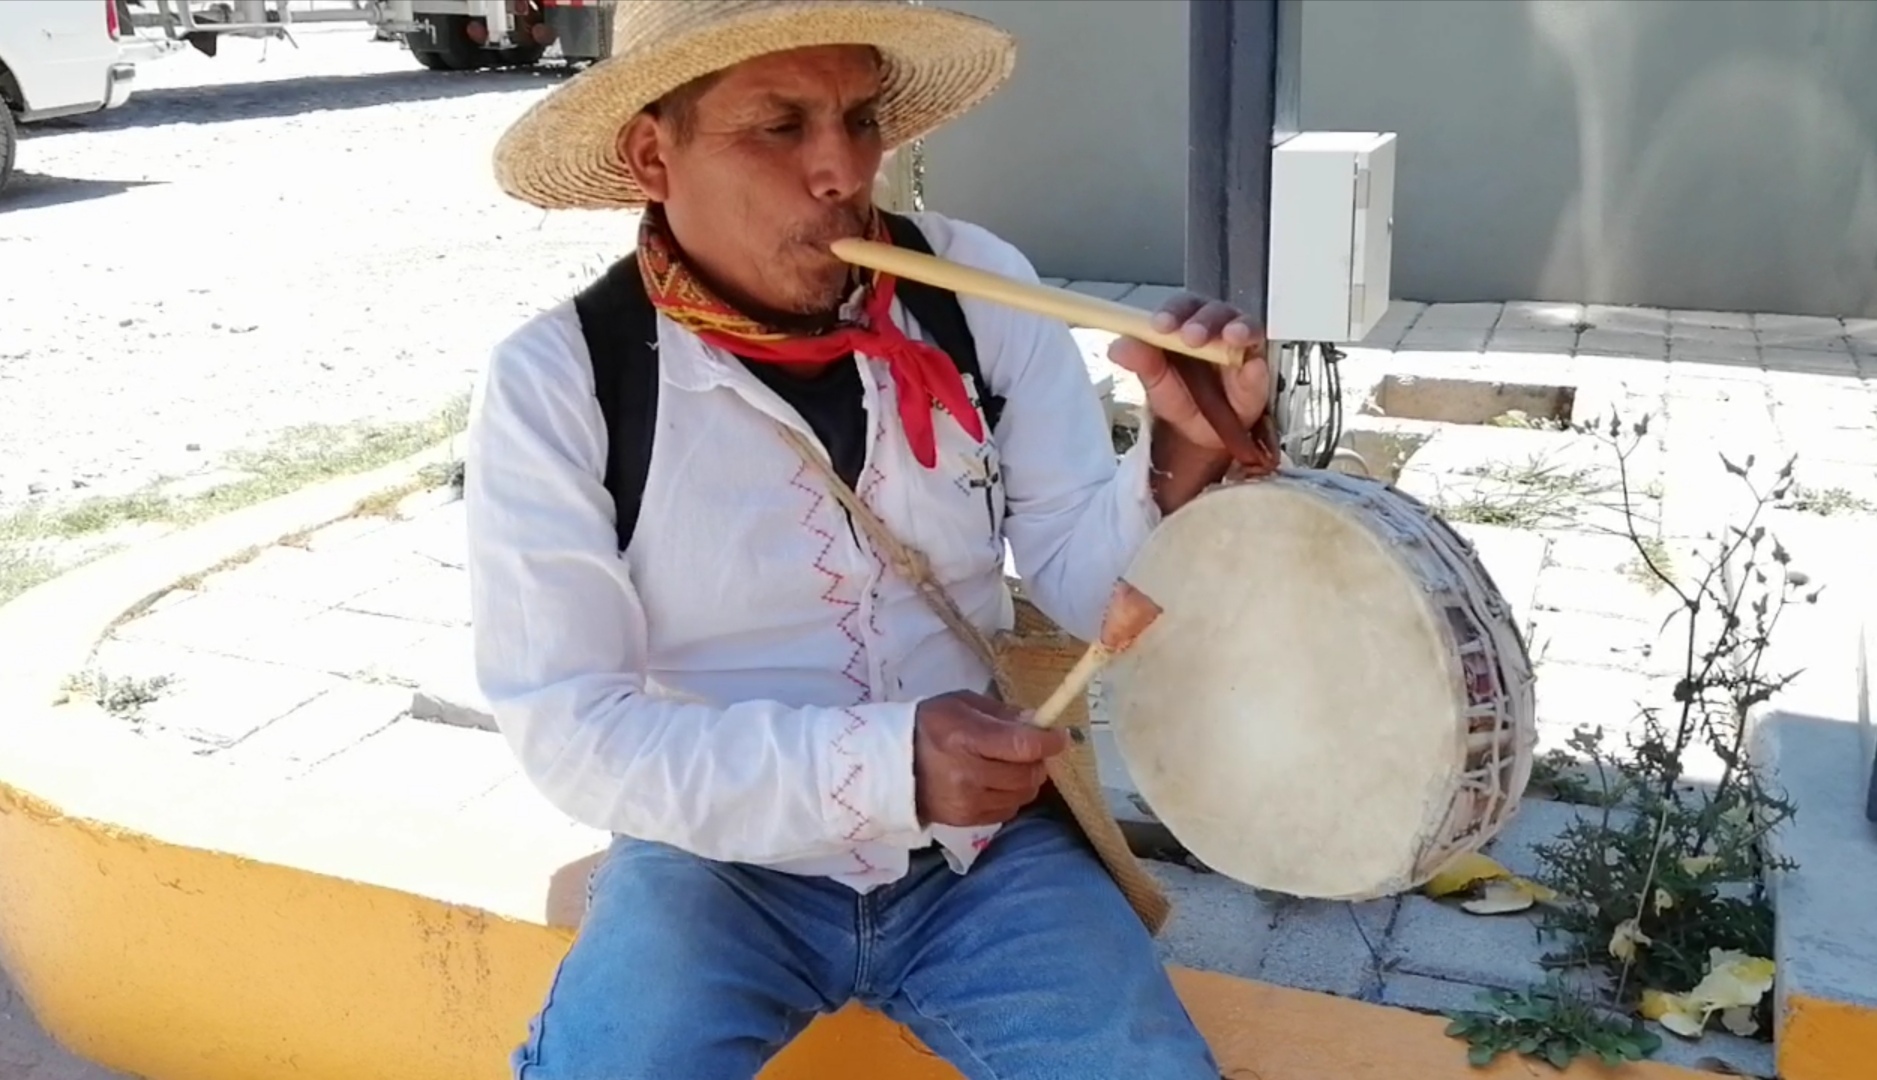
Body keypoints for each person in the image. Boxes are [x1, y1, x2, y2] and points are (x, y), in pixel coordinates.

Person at [464, 2, 1273, 1078]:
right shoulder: (562, 382)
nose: (842, 171)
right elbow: (571, 729)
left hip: (984, 850)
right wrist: (887, 766)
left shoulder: (978, 295)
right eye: (779, 127)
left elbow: (1089, 587)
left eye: (859, 120)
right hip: (718, 859)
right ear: (653, 154)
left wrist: (1181, 448)